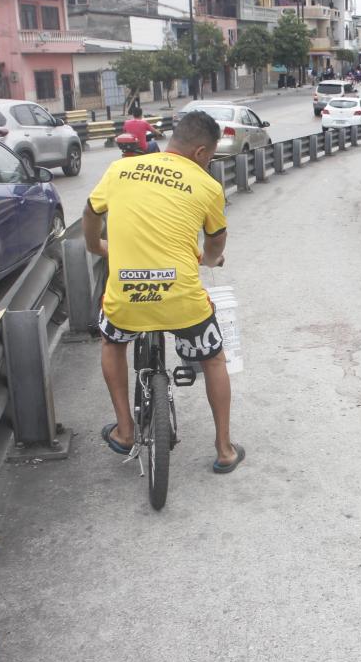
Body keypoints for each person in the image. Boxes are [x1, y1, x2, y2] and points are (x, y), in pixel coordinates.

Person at [83, 111, 245, 473]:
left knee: (112, 343)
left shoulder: (119, 170)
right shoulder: (207, 186)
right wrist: (210, 261)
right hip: (181, 300)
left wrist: (97, 247)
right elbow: (216, 242)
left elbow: (91, 213)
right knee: (214, 359)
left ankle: (125, 430)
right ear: (201, 152)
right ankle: (224, 449)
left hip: (127, 296)